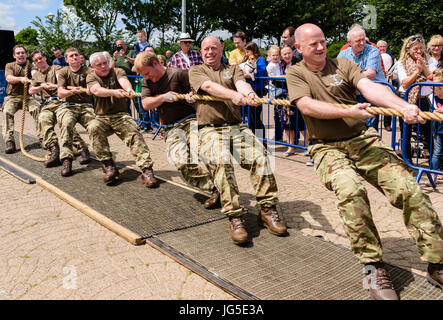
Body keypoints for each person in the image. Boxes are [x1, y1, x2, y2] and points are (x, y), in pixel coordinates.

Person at [286, 23, 443, 300]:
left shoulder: (343, 64)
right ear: (299, 48)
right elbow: (306, 106)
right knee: (350, 190)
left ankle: (437, 262)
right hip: (326, 147)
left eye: (323, 41)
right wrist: (346, 109)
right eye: (313, 44)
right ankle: (372, 267)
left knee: (409, 188)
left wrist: (402, 106)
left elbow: (370, 88)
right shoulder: (295, 72)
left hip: (363, 139)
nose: (321, 47)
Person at [189, 36, 287, 244]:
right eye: (206, 49)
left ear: (222, 48)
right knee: (222, 162)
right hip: (209, 129)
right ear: (201, 51)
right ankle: (235, 217)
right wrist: (232, 96)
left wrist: (249, 94)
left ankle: (267, 209)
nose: (209, 52)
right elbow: (208, 87)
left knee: (261, 157)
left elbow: (241, 84)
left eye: (214, 48)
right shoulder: (196, 70)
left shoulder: (232, 69)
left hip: (235, 126)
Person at [134, 51, 221, 209]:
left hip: (191, 121)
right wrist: (163, 97)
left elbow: (200, 91)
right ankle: (214, 188)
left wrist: (192, 95)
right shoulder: (147, 82)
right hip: (171, 128)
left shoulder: (179, 74)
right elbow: (146, 104)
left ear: (155, 64)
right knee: (180, 161)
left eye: (146, 72)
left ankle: (223, 189)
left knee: (205, 150)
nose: (145, 76)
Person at [86, 51, 159, 188]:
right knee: (93, 127)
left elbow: (123, 81)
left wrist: (129, 89)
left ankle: (147, 170)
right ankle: (108, 166)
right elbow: (96, 90)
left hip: (120, 115)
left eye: (105, 63)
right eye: (99, 65)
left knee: (133, 131)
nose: (103, 66)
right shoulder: (91, 76)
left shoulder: (117, 71)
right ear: (92, 67)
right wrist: (114, 92)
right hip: (102, 117)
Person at [29, 50, 90, 168]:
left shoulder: (56, 68)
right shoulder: (36, 75)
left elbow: (60, 78)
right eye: (36, 60)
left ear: (45, 58)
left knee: (65, 122)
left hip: (60, 101)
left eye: (40, 58)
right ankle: (54, 151)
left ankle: (83, 148)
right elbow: (31, 91)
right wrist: (41, 86)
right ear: (34, 63)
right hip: (47, 104)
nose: (39, 61)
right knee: (43, 119)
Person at [338, 24, 386, 131]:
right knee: (352, 127)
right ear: (349, 43)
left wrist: (347, 78)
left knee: (370, 128)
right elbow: (337, 74)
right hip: (352, 95)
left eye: (363, 40)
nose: (362, 43)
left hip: (371, 95)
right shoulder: (343, 54)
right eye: (358, 41)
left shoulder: (373, 51)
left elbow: (370, 74)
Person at [56, 47, 95, 177]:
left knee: (96, 127)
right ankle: (67, 160)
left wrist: (90, 89)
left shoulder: (88, 70)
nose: (74, 57)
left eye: (76, 55)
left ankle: (106, 160)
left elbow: (92, 84)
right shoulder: (63, 72)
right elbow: (60, 92)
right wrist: (72, 91)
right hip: (68, 105)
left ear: (80, 57)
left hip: (85, 106)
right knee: (66, 124)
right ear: (66, 59)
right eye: (71, 56)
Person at [397, 34, 433, 162]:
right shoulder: (401, 63)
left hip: (423, 98)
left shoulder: (430, 61)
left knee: (428, 130)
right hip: (406, 98)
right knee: (406, 131)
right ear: (408, 50)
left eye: (421, 48)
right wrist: (417, 72)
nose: (418, 51)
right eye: (415, 49)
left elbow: (434, 79)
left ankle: (434, 163)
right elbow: (405, 84)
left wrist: (424, 68)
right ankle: (407, 161)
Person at [2, 45, 41, 154]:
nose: (21, 55)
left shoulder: (31, 66)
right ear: (14, 55)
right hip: (12, 97)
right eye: (18, 53)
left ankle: (43, 138)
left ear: (26, 54)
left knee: (38, 109)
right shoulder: (10, 65)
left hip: (27, 97)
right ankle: (9, 141)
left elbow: (35, 74)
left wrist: (34, 78)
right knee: (7, 112)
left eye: (22, 53)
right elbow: (8, 78)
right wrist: (20, 79)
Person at [244, 41, 266, 133]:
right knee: (250, 117)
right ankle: (254, 138)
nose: (246, 54)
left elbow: (261, 71)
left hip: (257, 89)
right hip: (248, 89)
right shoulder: (247, 59)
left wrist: (250, 75)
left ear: (253, 51)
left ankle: (261, 140)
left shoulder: (260, 59)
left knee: (256, 116)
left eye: (248, 52)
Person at [426, 69, 443, 187]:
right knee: (437, 153)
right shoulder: (432, 97)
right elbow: (432, 111)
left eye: (434, 87)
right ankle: (433, 174)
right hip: (439, 130)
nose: (431, 89)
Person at [266, 45, 284, 142]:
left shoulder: (280, 63)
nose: (275, 57)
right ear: (269, 56)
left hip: (282, 89)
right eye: (273, 55)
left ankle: (282, 135)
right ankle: (278, 135)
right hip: (275, 90)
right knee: (277, 112)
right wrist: (280, 76)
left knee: (284, 113)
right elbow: (271, 77)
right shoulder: (270, 66)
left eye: (277, 55)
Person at [377, 40, 395, 131]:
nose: (382, 48)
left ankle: (387, 124)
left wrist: (393, 75)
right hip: (376, 84)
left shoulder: (392, 58)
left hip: (388, 84)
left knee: (388, 104)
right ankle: (373, 125)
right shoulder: (374, 57)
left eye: (384, 47)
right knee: (375, 104)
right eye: (380, 47)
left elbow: (395, 71)